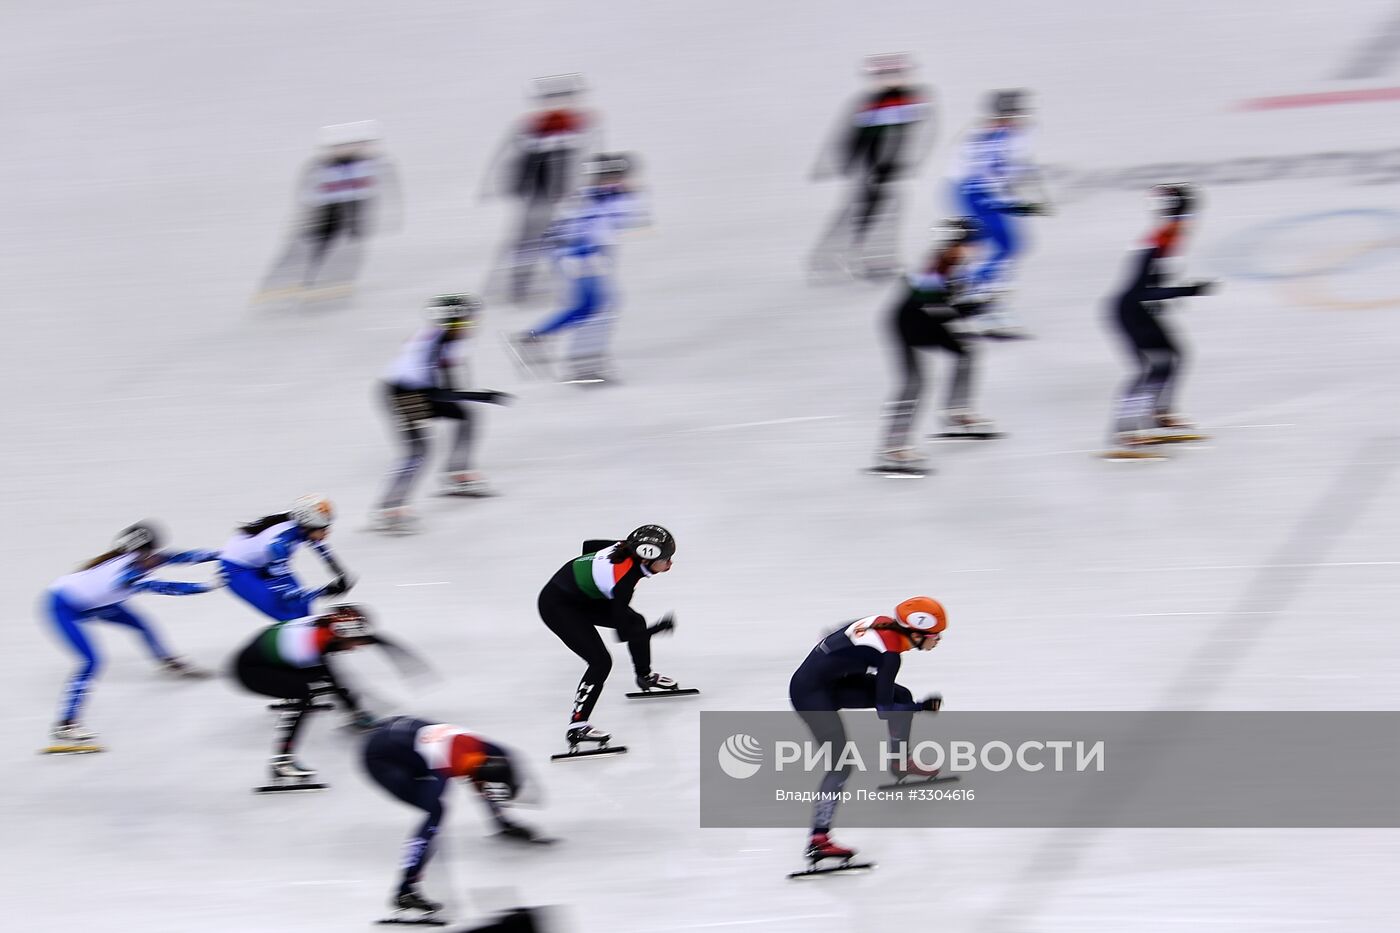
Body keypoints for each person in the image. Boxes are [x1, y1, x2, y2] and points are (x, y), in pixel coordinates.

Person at [788, 596, 947, 865]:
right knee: (841, 766)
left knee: (902, 696)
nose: (938, 640)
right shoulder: (890, 657)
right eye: (935, 636)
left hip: (832, 682)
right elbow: (884, 711)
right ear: (917, 634)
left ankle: (900, 762)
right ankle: (818, 841)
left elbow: (835, 633)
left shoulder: (882, 623)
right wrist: (922, 708)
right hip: (811, 696)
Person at [43, 522, 222, 748]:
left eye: (152, 554)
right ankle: (66, 724)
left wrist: (224, 555)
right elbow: (164, 587)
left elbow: (184, 557)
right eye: (148, 555)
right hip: (64, 607)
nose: (153, 559)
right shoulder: (125, 575)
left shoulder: (138, 558)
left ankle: (169, 663)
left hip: (93, 603)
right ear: (140, 552)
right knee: (90, 661)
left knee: (142, 625)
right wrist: (208, 586)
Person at [362, 716, 543, 923]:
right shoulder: (446, 765)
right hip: (380, 758)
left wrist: (514, 786)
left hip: (401, 734)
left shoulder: (482, 747)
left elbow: (507, 757)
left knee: (472, 775)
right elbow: (440, 800)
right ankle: (405, 890)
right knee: (436, 811)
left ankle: (503, 823)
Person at [372, 294, 513, 532]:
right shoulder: (434, 346)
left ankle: (457, 473)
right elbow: (438, 392)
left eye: (470, 321)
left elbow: (447, 387)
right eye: (464, 322)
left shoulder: (446, 338)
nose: (469, 326)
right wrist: (480, 396)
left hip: (418, 390)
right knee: (418, 451)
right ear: (451, 324)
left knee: (466, 416)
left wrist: (472, 396)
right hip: (404, 394)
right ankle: (390, 507)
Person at [506, 153, 648, 384]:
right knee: (600, 309)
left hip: (582, 255)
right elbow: (572, 229)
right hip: (581, 255)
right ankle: (583, 365)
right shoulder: (596, 198)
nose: (620, 180)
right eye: (614, 176)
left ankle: (537, 339)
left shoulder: (603, 196)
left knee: (588, 308)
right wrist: (581, 255)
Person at [537, 525, 678, 750]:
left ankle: (644, 676)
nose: (670, 563)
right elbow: (623, 635)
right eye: (666, 559)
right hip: (558, 607)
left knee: (636, 621)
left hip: (578, 596)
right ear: (646, 560)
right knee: (600, 662)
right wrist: (659, 628)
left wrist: (591, 578)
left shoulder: (626, 547)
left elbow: (589, 546)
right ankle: (577, 727)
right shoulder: (624, 582)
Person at [876, 218, 995, 474]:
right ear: (957, 244)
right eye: (971, 244)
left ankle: (956, 410)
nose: (975, 249)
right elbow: (938, 310)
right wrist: (973, 308)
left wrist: (973, 305)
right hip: (907, 325)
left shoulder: (952, 262)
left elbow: (944, 305)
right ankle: (893, 447)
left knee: (966, 353)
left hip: (924, 321)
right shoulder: (938, 265)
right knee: (914, 384)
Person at [1108, 183, 1216, 449]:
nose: (1189, 226)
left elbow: (1150, 286)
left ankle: (1159, 414)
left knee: (1174, 356)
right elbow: (1142, 291)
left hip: (1139, 308)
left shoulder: (1166, 238)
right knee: (1148, 368)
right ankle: (1124, 429)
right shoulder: (1159, 241)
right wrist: (1187, 290)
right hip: (1130, 310)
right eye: (1184, 219)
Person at [809, 53, 935, 278]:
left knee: (880, 213)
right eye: (884, 75)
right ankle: (836, 259)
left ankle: (870, 260)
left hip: (889, 169)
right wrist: (841, 162)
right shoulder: (870, 104)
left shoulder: (913, 101)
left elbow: (922, 135)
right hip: (870, 169)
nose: (890, 80)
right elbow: (849, 135)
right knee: (865, 213)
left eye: (895, 74)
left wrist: (907, 163)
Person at [480, 74, 601, 303]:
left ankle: (522, 287)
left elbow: (506, 156)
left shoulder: (551, 128)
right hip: (544, 195)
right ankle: (522, 288)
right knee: (534, 239)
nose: (557, 104)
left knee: (532, 239)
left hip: (547, 195)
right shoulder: (543, 128)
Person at [231, 604, 379, 786]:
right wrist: (353, 709)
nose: (356, 647)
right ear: (343, 633)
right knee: (303, 695)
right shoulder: (314, 643)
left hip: (264, 659)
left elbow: (330, 677)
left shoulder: (324, 629)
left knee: (315, 682)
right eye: (355, 641)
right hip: (251, 671)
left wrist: (353, 709)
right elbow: (329, 677)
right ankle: (282, 762)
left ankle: (354, 715)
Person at [257, 120, 402, 298]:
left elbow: (385, 185)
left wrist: (388, 216)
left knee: (350, 249)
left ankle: (333, 282)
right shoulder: (321, 166)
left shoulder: (372, 164)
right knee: (308, 247)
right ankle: (284, 283)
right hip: (325, 212)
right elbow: (306, 190)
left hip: (353, 210)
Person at [946, 89, 1048, 338]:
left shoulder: (976, 132)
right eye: (1017, 113)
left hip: (966, 190)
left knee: (989, 248)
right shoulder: (1015, 134)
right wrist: (1019, 202)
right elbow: (1007, 172)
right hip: (981, 193)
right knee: (1006, 246)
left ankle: (964, 299)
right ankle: (976, 303)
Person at [219, 495, 352, 622]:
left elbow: (319, 546)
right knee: (286, 612)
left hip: (262, 562)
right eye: (323, 529)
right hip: (236, 570)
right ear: (307, 527)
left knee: (303, 610)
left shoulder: (301, 522)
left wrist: (340, 573)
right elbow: (287, 594)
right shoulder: (279, 544)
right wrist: (325, 591)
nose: (327, 533)